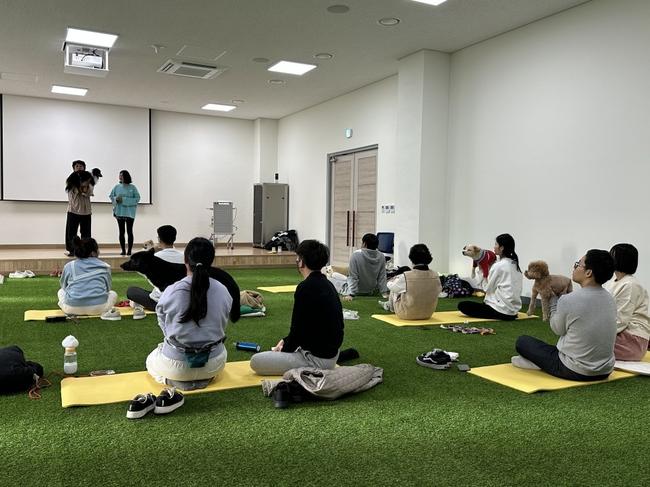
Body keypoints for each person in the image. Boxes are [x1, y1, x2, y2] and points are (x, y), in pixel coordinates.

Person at [512, 249, 617, 381]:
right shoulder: (610, 299)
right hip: (605, 370)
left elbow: (557, 329)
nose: (574, 267)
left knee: (522, 341)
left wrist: (553, 301)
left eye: (578, 264)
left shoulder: (569, 299)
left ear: (588, 273)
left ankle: (539, 364)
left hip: (575, 369)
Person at [146, 237, 233, 390]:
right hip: (214, 364)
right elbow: (222, 322)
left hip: (177, 366)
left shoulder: (172, 290)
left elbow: (163, 323)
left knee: (151, 359)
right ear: (211, 261)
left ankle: (171, 380)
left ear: (185, 261)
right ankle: (205, 377)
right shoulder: (223, 290)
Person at [250, 240, 344, 375]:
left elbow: (297, 331)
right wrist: (285, 341)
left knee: (256, 361)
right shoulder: (328, 284)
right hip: (331, 354)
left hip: (316, 360)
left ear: (301, 262)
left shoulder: (305, 288)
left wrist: (283, 350)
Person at [458, 233, 522, 321]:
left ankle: (497, 312)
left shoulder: (499, 266)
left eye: (496, 244)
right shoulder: (515, 264)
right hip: (513, 310)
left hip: (501, 310)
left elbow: (487, 289)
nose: (494, 247)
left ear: (501, 248)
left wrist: (480, 271)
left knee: (462, 305)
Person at [604, 243, 650, 361]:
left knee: (584, 342)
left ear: (620, 259)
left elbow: (620, 321)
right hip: (621, 334)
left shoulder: (630, 285)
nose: (608, 259)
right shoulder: (614, 282)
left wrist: (598, 334)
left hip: (633, 340)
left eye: (611, 256)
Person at [127, 225, 185, 311]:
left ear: (159, 239)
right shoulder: (184, 257)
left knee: (131, 291)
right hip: (180, 300)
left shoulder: (154, 258)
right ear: (174, 238)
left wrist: (147, 250)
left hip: (159, 302)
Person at [379, 244, 442, 320]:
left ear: (411, 257)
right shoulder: (436, 275)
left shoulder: (406, 276)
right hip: (428, 314)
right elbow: (438, 291)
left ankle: (390, 306)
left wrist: (395, 277)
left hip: (407, 314)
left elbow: (389, 285)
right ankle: (389, 304)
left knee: (395, 287)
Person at [58, 237, 117, 315]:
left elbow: (64, 286)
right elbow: (108, 288)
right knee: (113, 294)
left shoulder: (69, 266)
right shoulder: (105, 266)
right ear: (93, 253)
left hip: (72, 308)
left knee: (61, 291)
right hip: (99, 308)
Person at [328, 233, 389, 301]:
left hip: (356, 291)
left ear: (364, 244)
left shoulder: (356, 255)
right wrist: (384, 293)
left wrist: (351, 294)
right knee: (334, 274)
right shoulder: (381, 256)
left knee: (329, 279)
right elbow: (382, 276)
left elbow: (353, 277)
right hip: (370, 290)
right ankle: (334, 275)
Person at [64, 168, 96, 256]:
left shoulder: (89, 186)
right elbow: (78, 191)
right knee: (71, 233)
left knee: (86, 233)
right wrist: (83, 187)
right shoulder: (72, 186)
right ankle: (72, 250)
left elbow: (88, 192)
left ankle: (86, 251)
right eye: (87, 180)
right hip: (73, 212)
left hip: (86, 212)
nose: (88, 182)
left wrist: (87, 186)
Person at [109, 170, 141, 256]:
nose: (120, 177)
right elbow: (111, 196)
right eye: (119, 175)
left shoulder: (132, 187)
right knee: (121, 232)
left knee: (129, 231)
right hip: (119, 212)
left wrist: (124, 200)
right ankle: (123, 250)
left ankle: (129, 250)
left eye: (122, 175)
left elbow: (137, 199)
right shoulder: (116, 187)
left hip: (130, 213)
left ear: (126, 176)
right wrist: (116, 199)